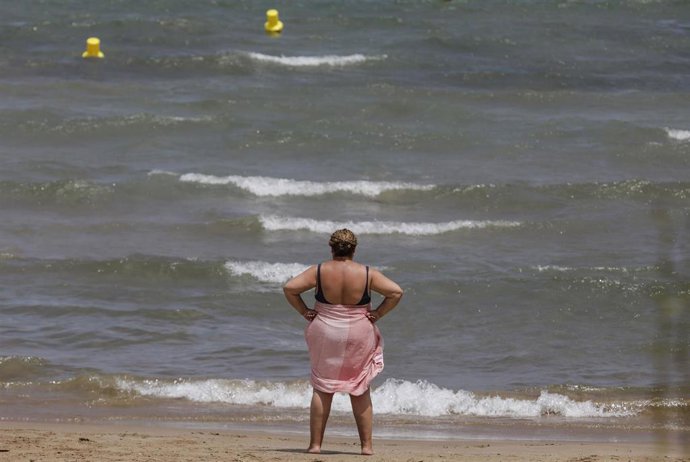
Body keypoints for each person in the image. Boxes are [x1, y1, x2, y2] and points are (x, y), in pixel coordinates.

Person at [283, 228, 403, 455]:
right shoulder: (367, 273)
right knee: (360, 387)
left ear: (331, 247)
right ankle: (366, 447)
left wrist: (305, 311)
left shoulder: (319, 271)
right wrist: (377, 313)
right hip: (359, 331)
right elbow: (396, 292)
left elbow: (290, 288)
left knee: (322, 387)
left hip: (325, 329)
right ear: (354, 249)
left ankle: (315, 446)